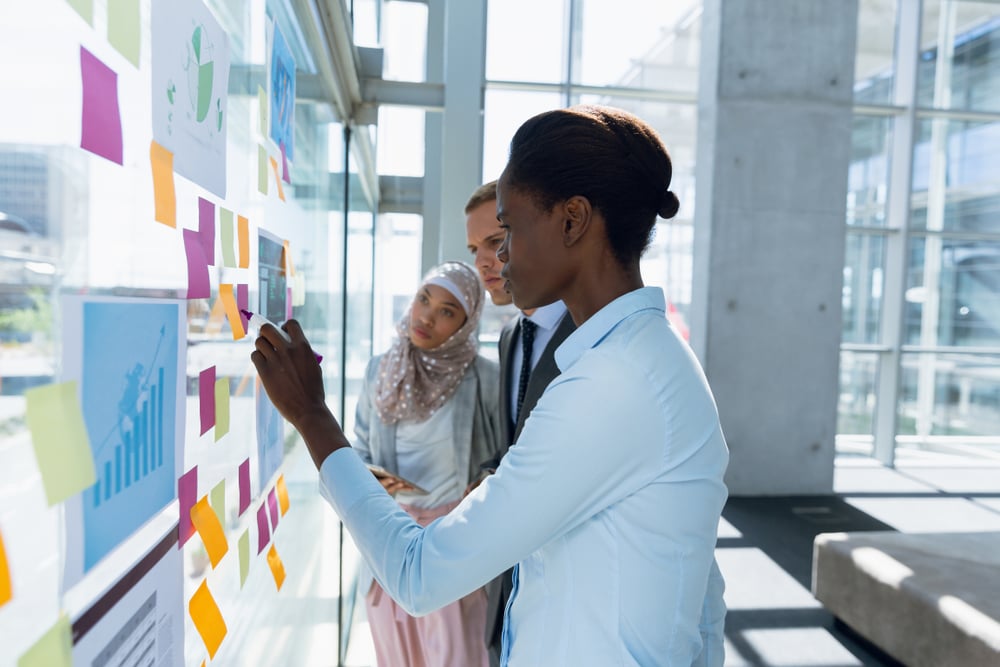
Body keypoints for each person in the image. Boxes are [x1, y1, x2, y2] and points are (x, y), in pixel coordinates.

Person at [251, 104, 729, 666]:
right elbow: (703, 603)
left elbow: (419, 573)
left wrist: (311, 417)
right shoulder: (643, 361)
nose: (496, 257)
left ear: (572, 220)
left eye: (509, 226)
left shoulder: (614, 382)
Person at [352, 261, 502, 667]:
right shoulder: (380, 370)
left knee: (458, 655)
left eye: (447, 311)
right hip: (391, 543)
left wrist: (485, 482)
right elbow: (359, 450)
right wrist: (372, 479)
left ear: (465, 324)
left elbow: (508, 457)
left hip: (454, 547)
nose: (426, 316)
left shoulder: (486, 379)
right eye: (424, 299)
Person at [465, 180, 576, 666]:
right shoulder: (511, 336)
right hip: (506, 576)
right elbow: (517, 443)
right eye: (474, 249)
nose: (485, 261)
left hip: (565, 584)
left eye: (495, 241)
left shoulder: (589, 336)